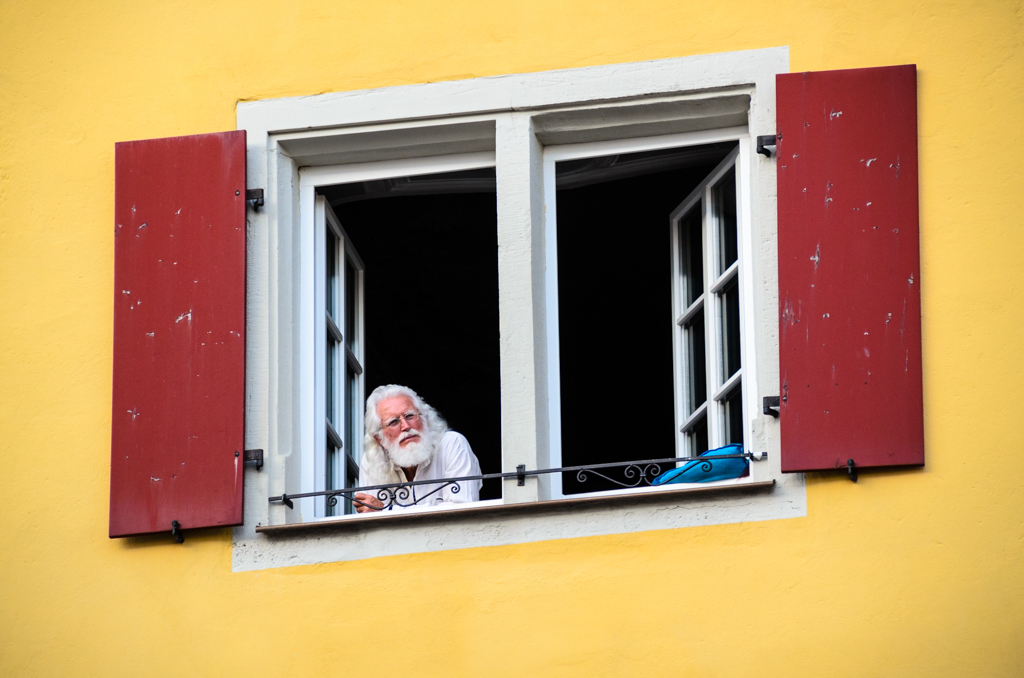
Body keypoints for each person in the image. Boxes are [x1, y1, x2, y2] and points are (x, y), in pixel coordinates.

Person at [355, 384, 482, 513]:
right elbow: (370, 521)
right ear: (380, 439)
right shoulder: (372, 460)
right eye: (393, 422)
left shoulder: (452, 443)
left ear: (425, 418)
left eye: (410, 416)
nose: (406, 426)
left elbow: (463, 512)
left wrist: (386, 511)